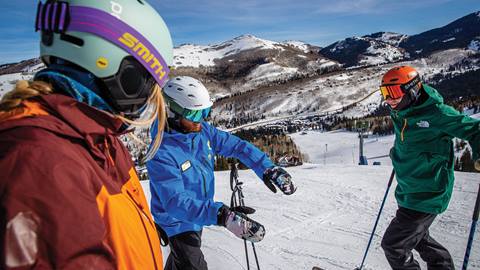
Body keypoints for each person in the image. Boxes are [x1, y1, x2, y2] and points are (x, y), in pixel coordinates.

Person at [0, 0, 173, 268]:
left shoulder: (100, 139)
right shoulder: (40, 162)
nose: (148, 99)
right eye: (147, 81)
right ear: (117, 66)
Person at [146, 76, 297, 270]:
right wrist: (222, 215)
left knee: (180, 264)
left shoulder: (202, 132)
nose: (202, 120)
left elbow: (237, 147)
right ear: (172, 113)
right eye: (194, 115)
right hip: (176, 222)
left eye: (205, 112)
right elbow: (175, 203)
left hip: (199, 213)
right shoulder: (161, 152)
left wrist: (267, 167)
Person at [379, 65, 480, 269]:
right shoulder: (401, 110)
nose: (388, 99)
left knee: (393, 246)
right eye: (384, 93)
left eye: (394, 93)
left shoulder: (436, 113)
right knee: (420, 239)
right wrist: (398, 154)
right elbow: (408, 139)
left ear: (412, 89)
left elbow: (475, 130)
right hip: (408, 190)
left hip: (428, 192)